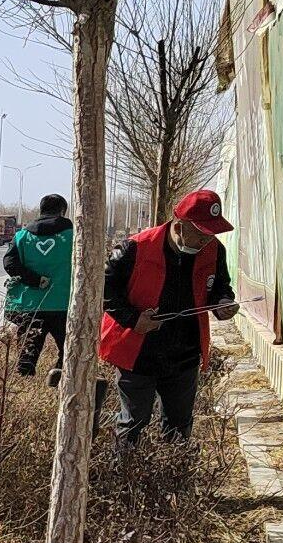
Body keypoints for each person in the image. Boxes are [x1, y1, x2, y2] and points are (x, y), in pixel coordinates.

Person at [100, 187, 239, 441]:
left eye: (211, 235)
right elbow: (103, 289)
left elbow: (219, 286)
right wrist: (133, 319)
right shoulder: (135, 248)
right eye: (201, 234)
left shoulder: (214, 251)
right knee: (133, 421)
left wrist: (223, 303)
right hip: (138, 352)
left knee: (179, 425)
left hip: (184, 354)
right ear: (179, 226)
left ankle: (175, 476)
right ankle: (123, 475)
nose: (206, 241)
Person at [3, 194, 75, 383]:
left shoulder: (22, 236)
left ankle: (24, 389)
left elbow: (10, 264)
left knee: (27, 354)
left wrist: (35, 280)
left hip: (31, 305)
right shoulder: (74, 236)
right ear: (62, 212)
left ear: (41, 211)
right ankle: (58, 381)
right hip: (64, 304)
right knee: (69, 350)